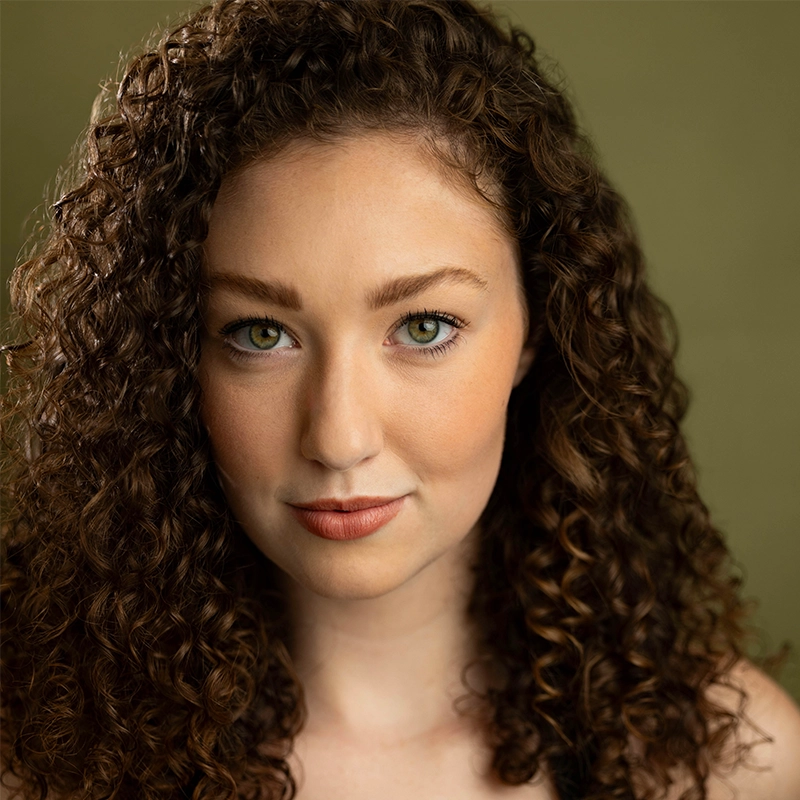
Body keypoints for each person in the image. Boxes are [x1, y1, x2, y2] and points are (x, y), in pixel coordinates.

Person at [2, 1, 799, 798]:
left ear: (536, 329)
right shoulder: (32, 765)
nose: (339, 436)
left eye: (424, 327)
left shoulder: (724, 767)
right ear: (171, 353)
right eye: (261, 334)